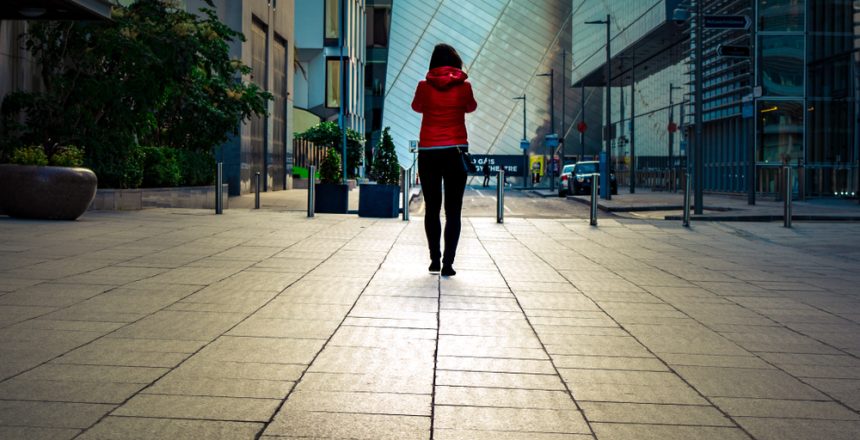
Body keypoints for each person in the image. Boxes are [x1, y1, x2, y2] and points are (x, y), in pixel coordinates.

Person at [412, 43, 477, 277]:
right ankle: (448, 263)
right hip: (455, 151)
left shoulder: (423, 87)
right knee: (453, 210)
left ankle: (434, 260)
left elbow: (416, 106)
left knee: (432, 208)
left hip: (429, 151)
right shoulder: (464, 87)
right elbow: (471, 107)